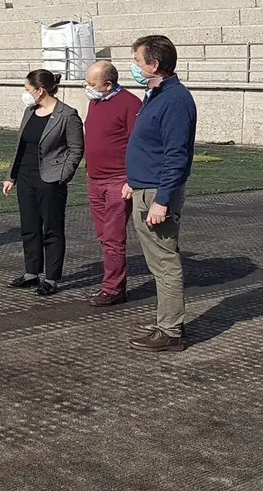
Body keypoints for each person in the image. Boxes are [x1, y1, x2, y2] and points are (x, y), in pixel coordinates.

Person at [124, 35, 197, 352]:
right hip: (146, 187)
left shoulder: (175, 100)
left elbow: (176, 155)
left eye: (138, 61)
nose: (134, 67)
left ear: (154, 65)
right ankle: (167, 321)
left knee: (164, 262)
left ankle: (170, 331)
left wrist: (161, 201)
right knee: (158, 262)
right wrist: (135, 180)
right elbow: (151, 148)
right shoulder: (156, 95)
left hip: (157, 193)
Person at [2, 69, 84, 296]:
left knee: (52, 228)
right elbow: (20, 147)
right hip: (26, 177)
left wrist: (63, 175)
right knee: (29, 227)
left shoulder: (67, 115)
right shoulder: (29, 112)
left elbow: (76, 149)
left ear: (40, 90)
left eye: (28, 89)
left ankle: (51, 278)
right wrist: (11, 176)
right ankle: (31, 272)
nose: (26, 94)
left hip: (50, 179)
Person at [83, 61, 142, 307]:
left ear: (108, 85)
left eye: (92, 84)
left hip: (118, 180)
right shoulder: (96, 101)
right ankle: (112, 282)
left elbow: (138, 144)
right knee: (103, 236)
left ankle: (113, 289)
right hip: (95, 178)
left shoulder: (130, 104)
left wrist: (132, 179)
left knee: (113, 237)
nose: (88, 88)